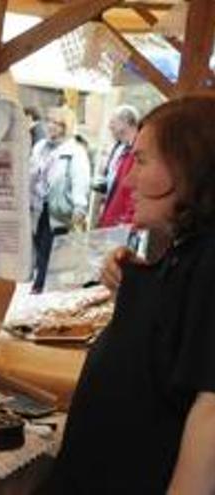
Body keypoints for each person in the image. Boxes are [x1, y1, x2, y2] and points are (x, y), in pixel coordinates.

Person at [49, 95, 215, 493]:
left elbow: (211, 412)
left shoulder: (210, 259)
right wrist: (137, 279)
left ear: (190, 167)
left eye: (141, 161)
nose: (127, 180)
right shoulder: (185, 252)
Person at [28, 106, 90, 292]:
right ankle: (41, 283)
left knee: (50, 247)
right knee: (38, 245)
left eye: (57, 123)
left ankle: (41, 287)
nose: (51, 126)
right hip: (37, 203)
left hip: (57, 207)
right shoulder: (40, 146)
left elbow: (81, 180)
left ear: (66, 127)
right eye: (49, 121)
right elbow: (31, 170)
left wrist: (80, 206)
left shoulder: (75, 151)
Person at [96, 105, 140, 228]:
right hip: (112, 217)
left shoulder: (137, 152)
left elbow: (132, 190)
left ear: (125, 123)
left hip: (121, 223)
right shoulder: (121, 148)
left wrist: (124, 222)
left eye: (113, 122)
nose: (110, 126)